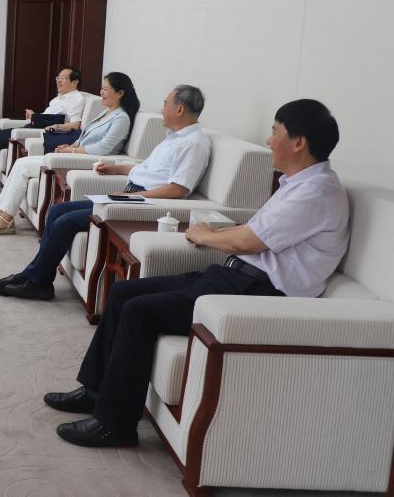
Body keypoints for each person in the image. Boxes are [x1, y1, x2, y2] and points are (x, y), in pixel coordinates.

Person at [45, 99, 348, 448]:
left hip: (258, 292)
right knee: (123, 292)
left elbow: (249, 241)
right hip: (236, 277)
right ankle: (95, 392)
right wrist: (216, 233)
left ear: (298, 143)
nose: (268, 141)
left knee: (139, 311)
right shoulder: (298, 183)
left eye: (274, 132)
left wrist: (206, 236)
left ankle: (115, 425)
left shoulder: (315, 192)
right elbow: (255, 232)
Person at [0, 85, 211, 298]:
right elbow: (150, 171)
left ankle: (36, 281)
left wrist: (133, 197)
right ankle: (37, 277)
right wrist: (118, 168)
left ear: (180, 109)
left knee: (66, 222)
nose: (162, 109)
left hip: (143, 201)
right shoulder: (174, 138)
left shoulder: (193, 144)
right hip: (132, 193)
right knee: (58, 210)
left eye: (165, 103)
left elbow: (177, 189)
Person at [0, 72, 139, 236]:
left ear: (120, 93)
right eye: (102, 88)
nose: (101, 92)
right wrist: (71, 145)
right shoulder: (106, 112)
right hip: (76, 154)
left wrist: (72, 151)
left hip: (87, 160)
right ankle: (3, 212)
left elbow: (103, 148)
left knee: (24, 167)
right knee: (20, 163)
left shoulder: (121, 118)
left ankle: (6, 218)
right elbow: (85, 136)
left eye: (106, 89)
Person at [0, 67, 86, 193]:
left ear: (75, 82)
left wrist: (56, 126)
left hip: (40, 133)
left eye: (63, 78)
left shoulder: (77, 99)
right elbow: (47, 118)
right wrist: (35, 116)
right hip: (33, 127)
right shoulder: (58, 99)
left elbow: (75, 125)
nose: (58, 81)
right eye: (58, 78)